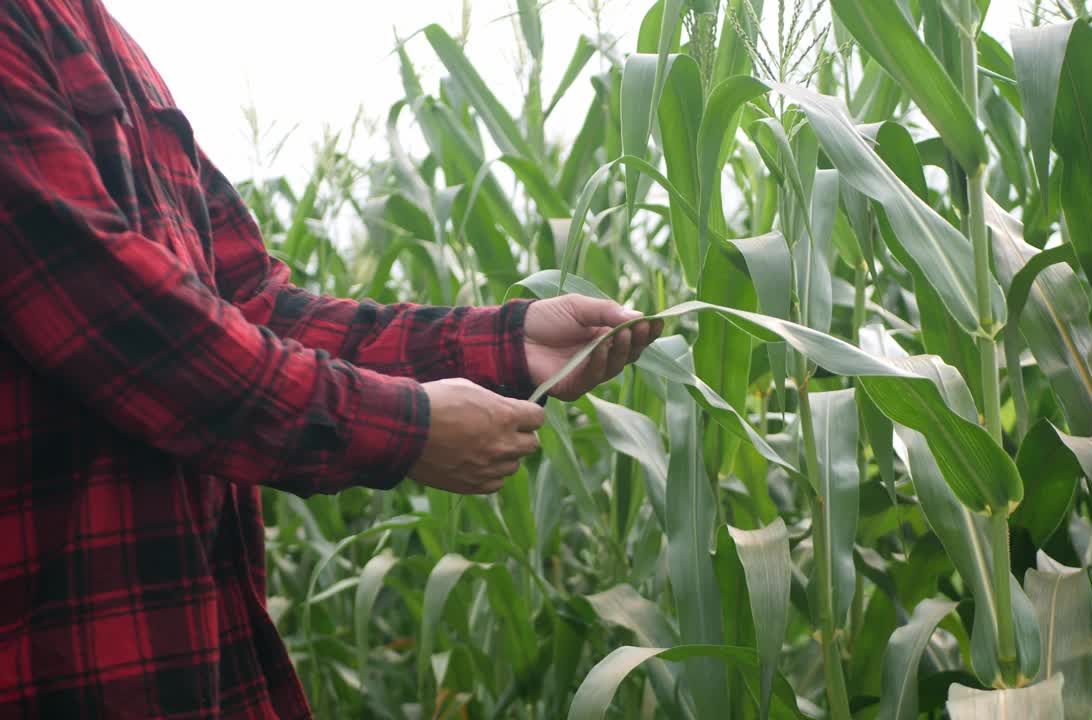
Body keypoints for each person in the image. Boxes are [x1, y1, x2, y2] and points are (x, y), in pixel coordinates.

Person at [0, 1, 662, 716]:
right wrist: (405, 429)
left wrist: (509, 342)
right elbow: (120, 318)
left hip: (193, 664)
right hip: (59, 668)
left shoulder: (114, 51)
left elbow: (251, 306)